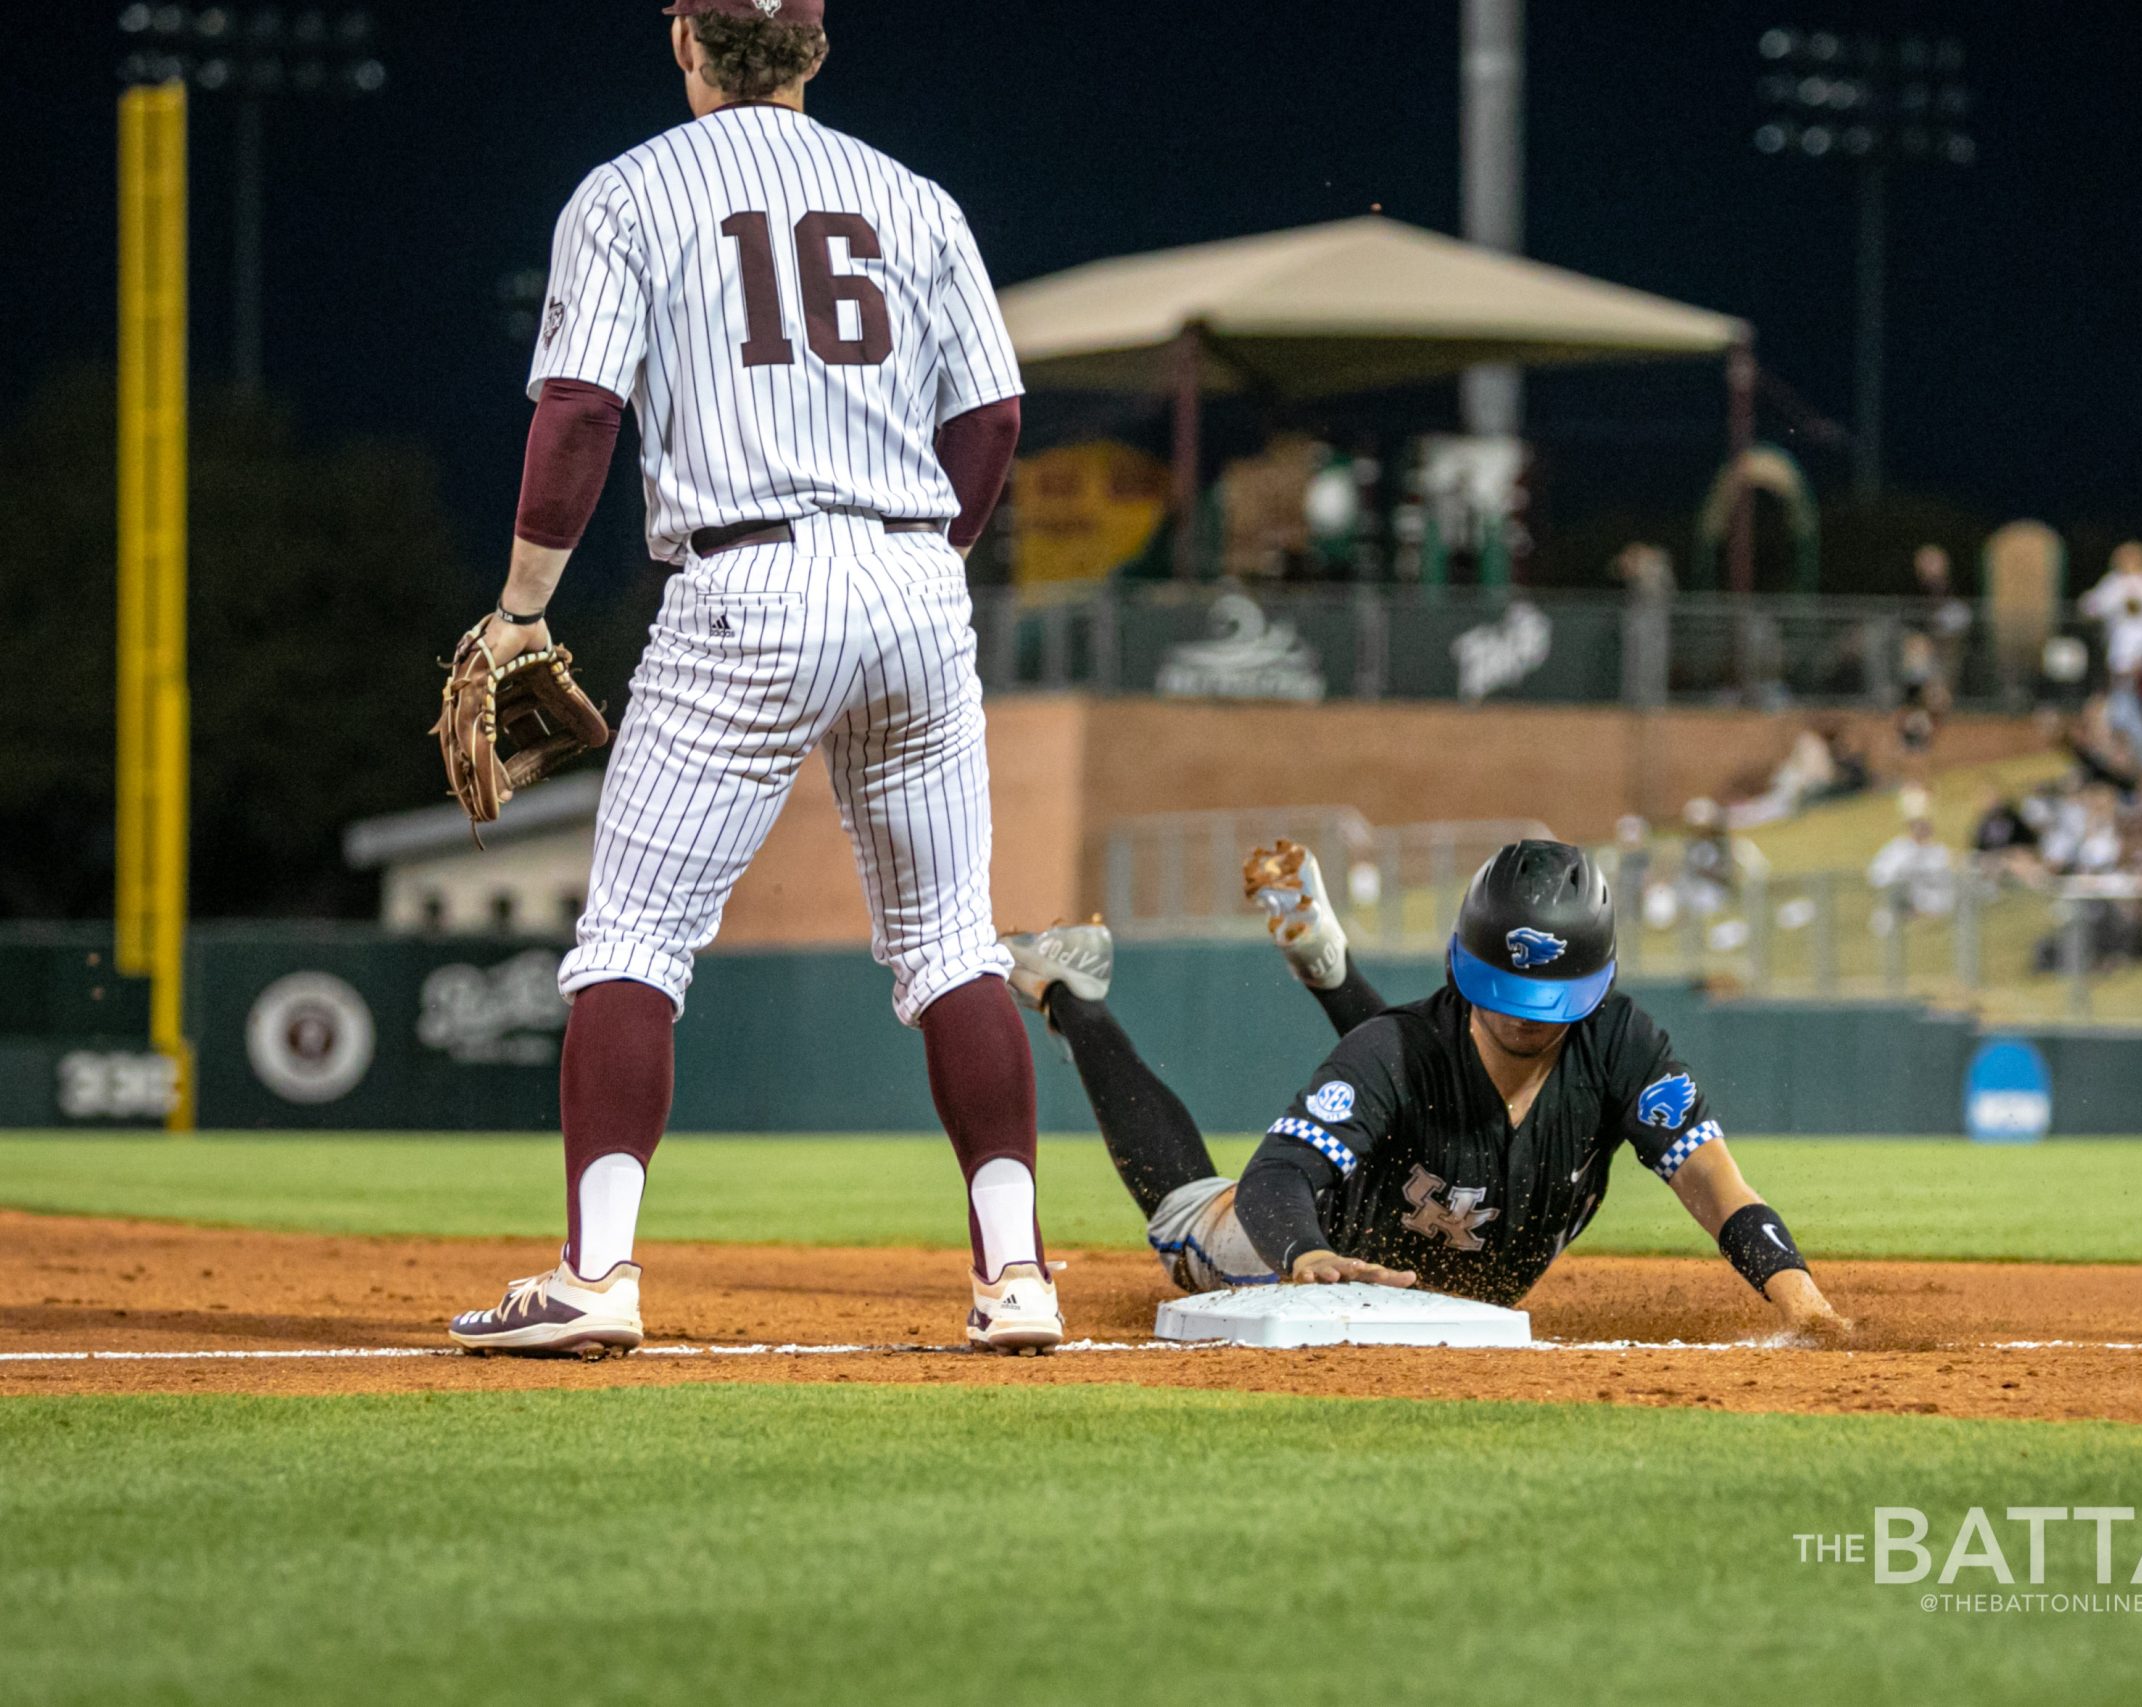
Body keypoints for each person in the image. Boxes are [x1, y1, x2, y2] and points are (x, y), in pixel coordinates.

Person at [448, 0, 1059, 1356]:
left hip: (747, 579)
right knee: (955, 941)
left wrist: (519, 613)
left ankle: (596, 1270)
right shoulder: (915, 198)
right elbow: (996, 414)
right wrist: (921, 563)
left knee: (632, 942)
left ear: (686, 41)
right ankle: (1017, 1275)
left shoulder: (631, 192)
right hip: (915, 576)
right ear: (815, 45)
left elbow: (583, 409)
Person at [1000, 841, 1848, 1334]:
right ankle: (1071, 990)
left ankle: (1331, 969)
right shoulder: (1397, 1048)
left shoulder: (1622, 1042)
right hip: (1332, 1248)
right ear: (1460, 967)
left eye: (1544, 1006)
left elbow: (1713, 1183)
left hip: (1445, 1243)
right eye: (1499, 995)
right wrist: (1305, 1254)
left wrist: (1796, 1291)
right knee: (1187, 1215)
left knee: (1420, 1072)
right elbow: (1277, 1175)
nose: (1521, 1020)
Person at [2077, 542, 2142, 767]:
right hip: (2117, 656)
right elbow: (2095, 605)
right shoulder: (2115, 583)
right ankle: (2118, 756)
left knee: (2137, 707)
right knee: (2116, 706)